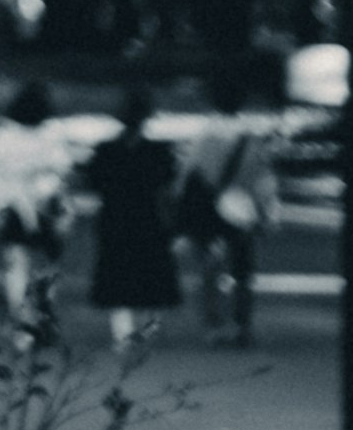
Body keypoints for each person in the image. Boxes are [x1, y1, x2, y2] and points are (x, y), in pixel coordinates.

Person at [178, 65, 281, 346]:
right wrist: (268, 211)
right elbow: (263, 180)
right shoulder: (251, 139)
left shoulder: (205, 136)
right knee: (243, 270)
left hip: (210, 208)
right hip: (243, 209)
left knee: (211, 268)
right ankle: (242, 323)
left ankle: (213, 324)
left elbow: (188, 177)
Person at [83, 80, 184, 360]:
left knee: (117, 278)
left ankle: (123, 334)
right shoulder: (160, 152)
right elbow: (168, 188)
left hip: (114, 218)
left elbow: (93, 183)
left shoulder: (105, 150)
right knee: (150, 276)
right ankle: (146, 330)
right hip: (148, 219)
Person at [0, 75, 74, 315]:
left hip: (11, 209)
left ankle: (22, 317)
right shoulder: (53, 135)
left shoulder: (3, 139)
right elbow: (63, 170)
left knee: (16, 265)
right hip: (45, 208)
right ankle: (43, 312)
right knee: (48, 263)